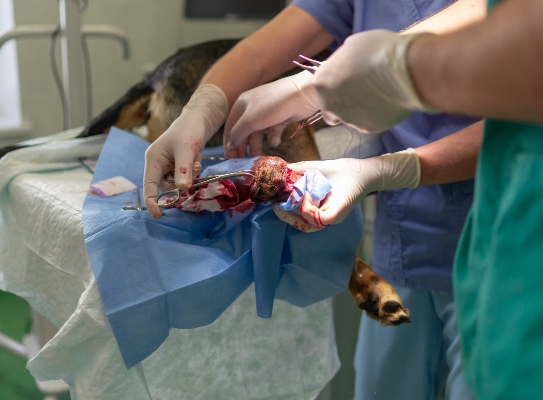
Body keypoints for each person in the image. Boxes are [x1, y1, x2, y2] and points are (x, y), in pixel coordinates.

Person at [143, 1, 485, 399]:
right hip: (406, 245)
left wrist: (389, 166)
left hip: (502, 245)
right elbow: (257, 52)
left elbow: (524, 126)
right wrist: (202, 108)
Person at [227, 0, 543, 399]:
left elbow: (526, 51)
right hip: (420, 246)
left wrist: (394, 71)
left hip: (515, 251)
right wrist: (204, 104)